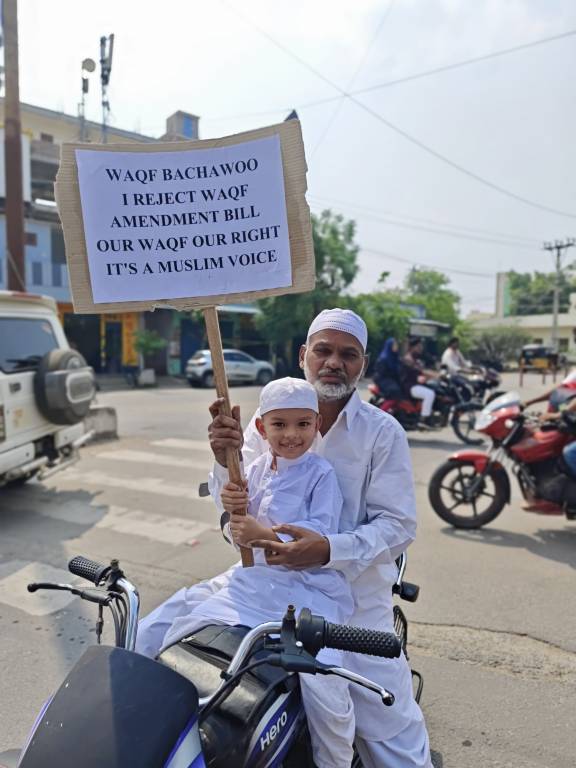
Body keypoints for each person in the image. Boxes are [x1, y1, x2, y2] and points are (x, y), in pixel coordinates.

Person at [208, 308, 432, 767]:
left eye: (347, 354)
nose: (334, 362)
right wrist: (220, 459)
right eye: (323, 350)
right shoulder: (264, 420)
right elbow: (232, 506)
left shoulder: (381, 432)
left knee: (392, 732)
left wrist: (327, 549)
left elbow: (398, 525)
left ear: (362, 365)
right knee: (202, 679)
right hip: (267, 590)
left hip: (354, 604)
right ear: (303, 356)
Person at [136, 376, 355, 768]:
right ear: (260, 428)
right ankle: (134, 718)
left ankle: (334, 762)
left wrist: (263, 534)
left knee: (328, 690)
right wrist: (231, 494)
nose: (291, 435)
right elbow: (235, 522)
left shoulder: (321, 475)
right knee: (162, 623)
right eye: (280, 424)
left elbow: (314, 543)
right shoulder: (251, 469)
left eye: (303, 424)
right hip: (250, 578)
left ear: (316, 425)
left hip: (305, 588)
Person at [401, 338, 437, 426]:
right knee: (430, 394)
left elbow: (422, 371)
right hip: (409, 386)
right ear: (413, 347)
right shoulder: (408, 358)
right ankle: (423, 419)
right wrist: (437, 375)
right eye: (419, 346)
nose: (421, 348)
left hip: (415, 384)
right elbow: (421, 371)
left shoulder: (415, 358)